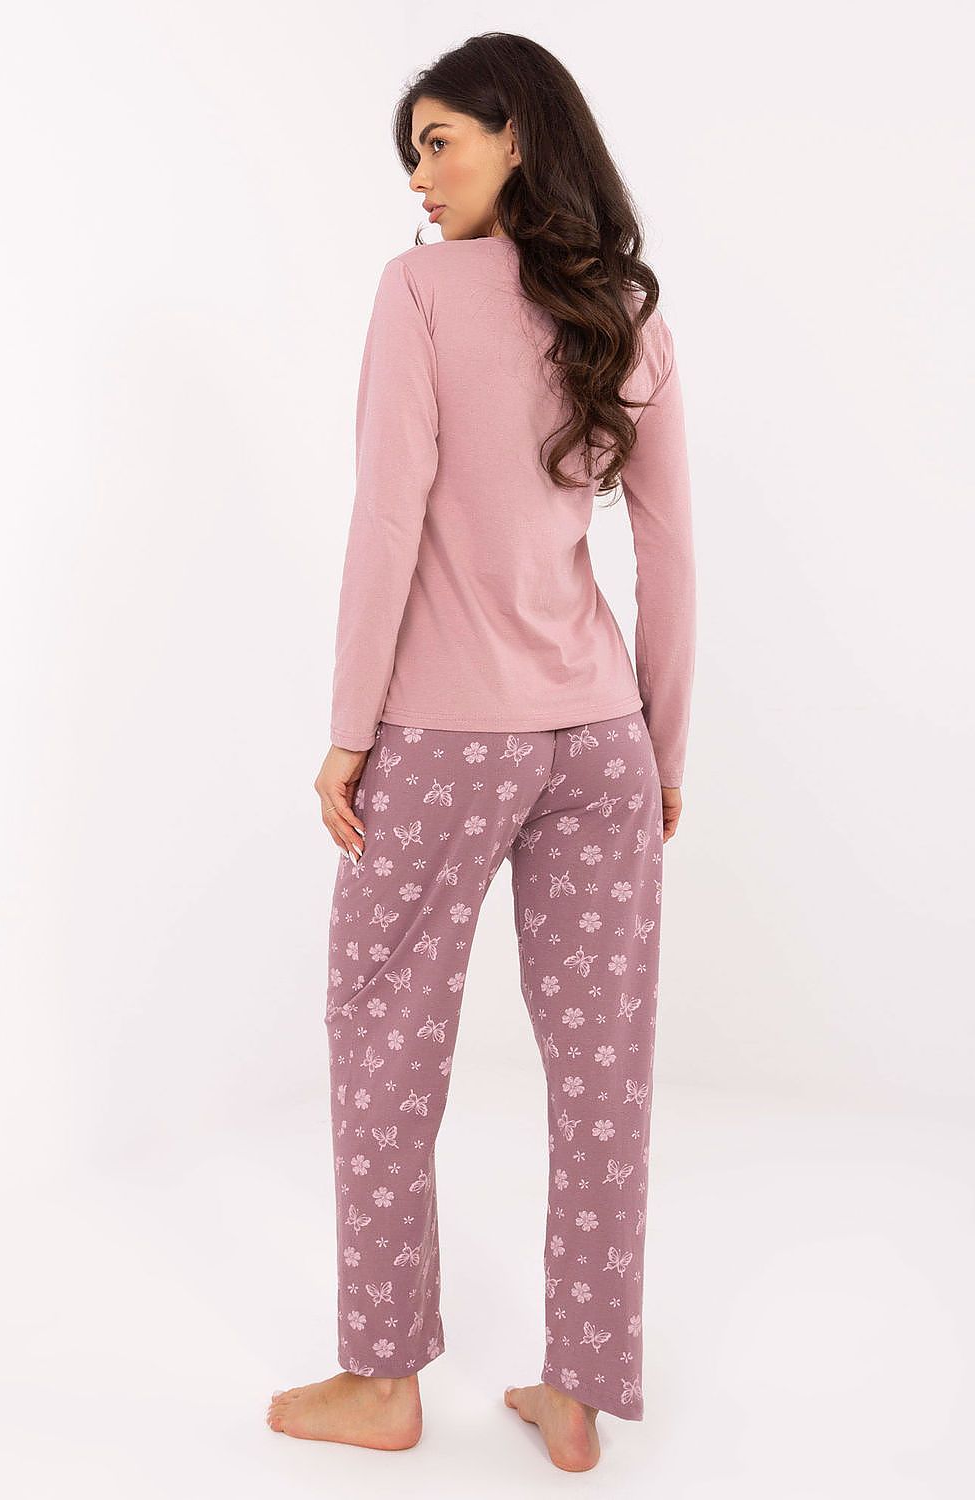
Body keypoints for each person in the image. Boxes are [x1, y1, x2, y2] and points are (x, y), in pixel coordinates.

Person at [267, 32, 696, 1474]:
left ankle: (382, 1379)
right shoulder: (623, 308)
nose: (420, 173)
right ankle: (580, 1392)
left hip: (444, 740)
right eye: (414, 149)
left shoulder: (419, 294)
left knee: (386, 1042)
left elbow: (387, 517)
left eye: (441, 139)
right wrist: (664, 741)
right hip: (603, 743)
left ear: (519, 136)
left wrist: (348, 734)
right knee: (606, 1074)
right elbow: (672, 546)